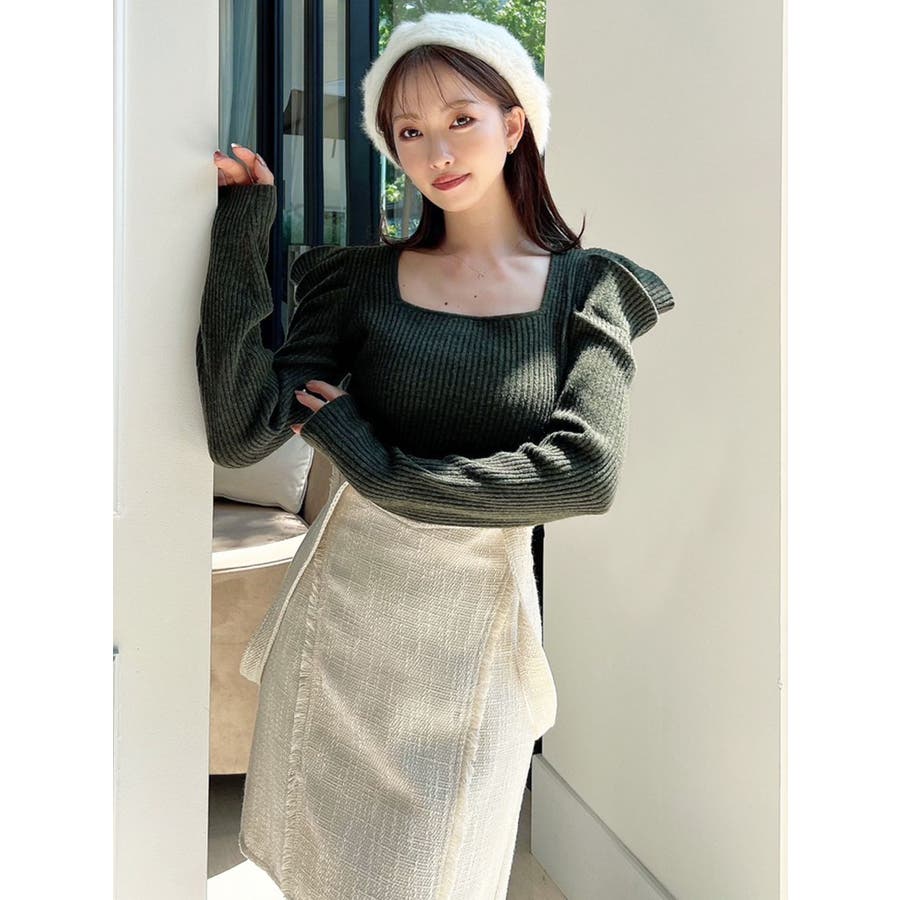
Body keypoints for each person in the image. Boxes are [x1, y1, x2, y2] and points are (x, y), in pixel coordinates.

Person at [198, 11, 675, 899]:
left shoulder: (589, 288)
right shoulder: (358, 283)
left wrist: (379, 467)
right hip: (344, 627)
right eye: (409, 131)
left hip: (475, 640)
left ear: (514, 124)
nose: (438, 150)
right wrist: (240, 231)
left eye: (461, 118)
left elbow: (584, 473)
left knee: (436, 872)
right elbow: (241, 429)